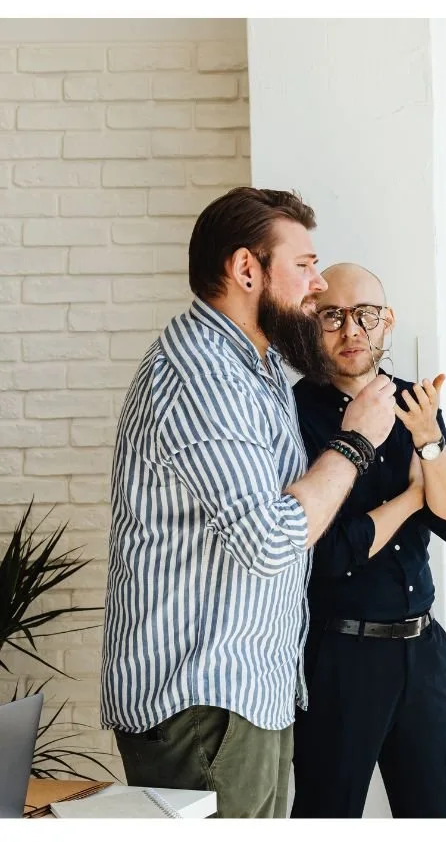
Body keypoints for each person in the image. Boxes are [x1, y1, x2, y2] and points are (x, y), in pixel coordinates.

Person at [101, 188, 397, 818]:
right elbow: (268, 540)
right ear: (245, 270)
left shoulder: (254, 368)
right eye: (303, 265)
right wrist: (356, 443)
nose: (316, 285)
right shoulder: (204, 377)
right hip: (205, 704)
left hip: (243, 694)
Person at [290, 263, 446, 818]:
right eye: (333, 316)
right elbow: (328, 555)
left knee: (433, 818)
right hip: (340, 655)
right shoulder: (293, 415)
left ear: (387, 322)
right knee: (327, 818)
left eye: (365, 315)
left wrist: (428, 441)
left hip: (420, 650)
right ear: (311, 323)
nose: (351, 331)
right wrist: (413, 497)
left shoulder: (415, 405)